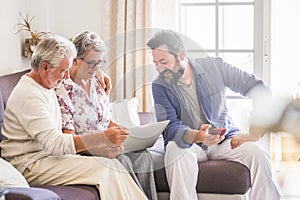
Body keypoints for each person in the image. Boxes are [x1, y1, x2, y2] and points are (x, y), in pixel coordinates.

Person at [0, 35, 148, 200]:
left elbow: (84, 63)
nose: (66, 77)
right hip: (29, 164)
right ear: (44, 67)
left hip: (46, 158)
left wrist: (98, 72)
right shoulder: (30, 96)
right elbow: (55, 144)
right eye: (63, 71)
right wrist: (101, 138)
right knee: (107, 168)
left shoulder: (46, 82)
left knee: (111, 166)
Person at [146, 30, 280, 200]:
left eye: (163, 62)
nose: (159, 68)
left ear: (180, 55)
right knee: (174, 150)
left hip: (224, 140)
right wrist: (197, 136)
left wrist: (255, 131)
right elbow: (170, 128)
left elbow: (260, 89)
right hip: (190, 144)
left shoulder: (214, 67)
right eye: (156, 63)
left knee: (258, 154)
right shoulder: (159, 86)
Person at [55, 31, 157, 200]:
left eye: (99, 63)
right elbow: (68, 137)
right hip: (86, 149)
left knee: (143, 156)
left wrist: (125, 133)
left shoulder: (98, 82)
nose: (96, 69)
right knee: (122, 161)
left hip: (107, 142)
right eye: (91, 63)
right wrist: (98, 146)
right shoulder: (63, 90)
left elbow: (104, 120)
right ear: (75, 60)